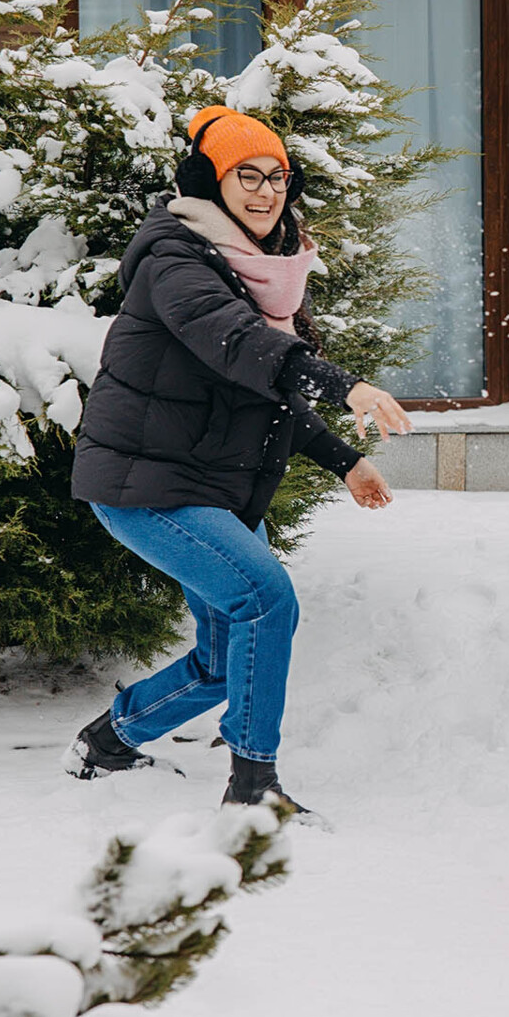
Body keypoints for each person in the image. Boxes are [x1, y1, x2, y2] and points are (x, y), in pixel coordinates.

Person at [65, 105, 413, 816]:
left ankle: (109, 740)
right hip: (147, 486)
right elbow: (240, 344)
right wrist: (346, 387)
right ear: (211, 184)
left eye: (277, 177)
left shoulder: (256, 270)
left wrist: (344, 460)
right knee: (265, 601)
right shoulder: (174, 259)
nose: (265, 192)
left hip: (206, 488)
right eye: (245, 175)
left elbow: (265, 390)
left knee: (232, 657)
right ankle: (253, 787)